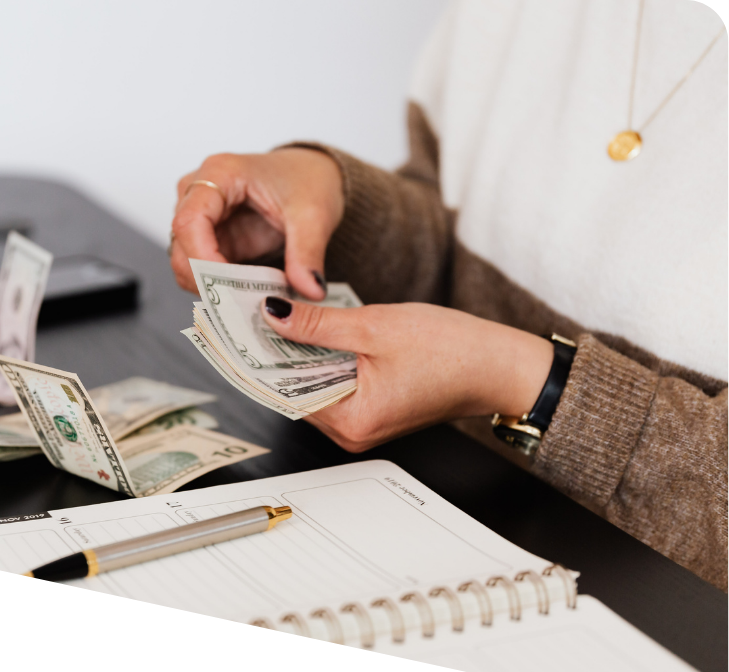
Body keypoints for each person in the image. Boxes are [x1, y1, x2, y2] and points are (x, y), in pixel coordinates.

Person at [167, 0, 728, 593]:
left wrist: (533, 385)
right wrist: (337, 204)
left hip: (667, 626)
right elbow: (460, 225)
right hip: (443, 533)